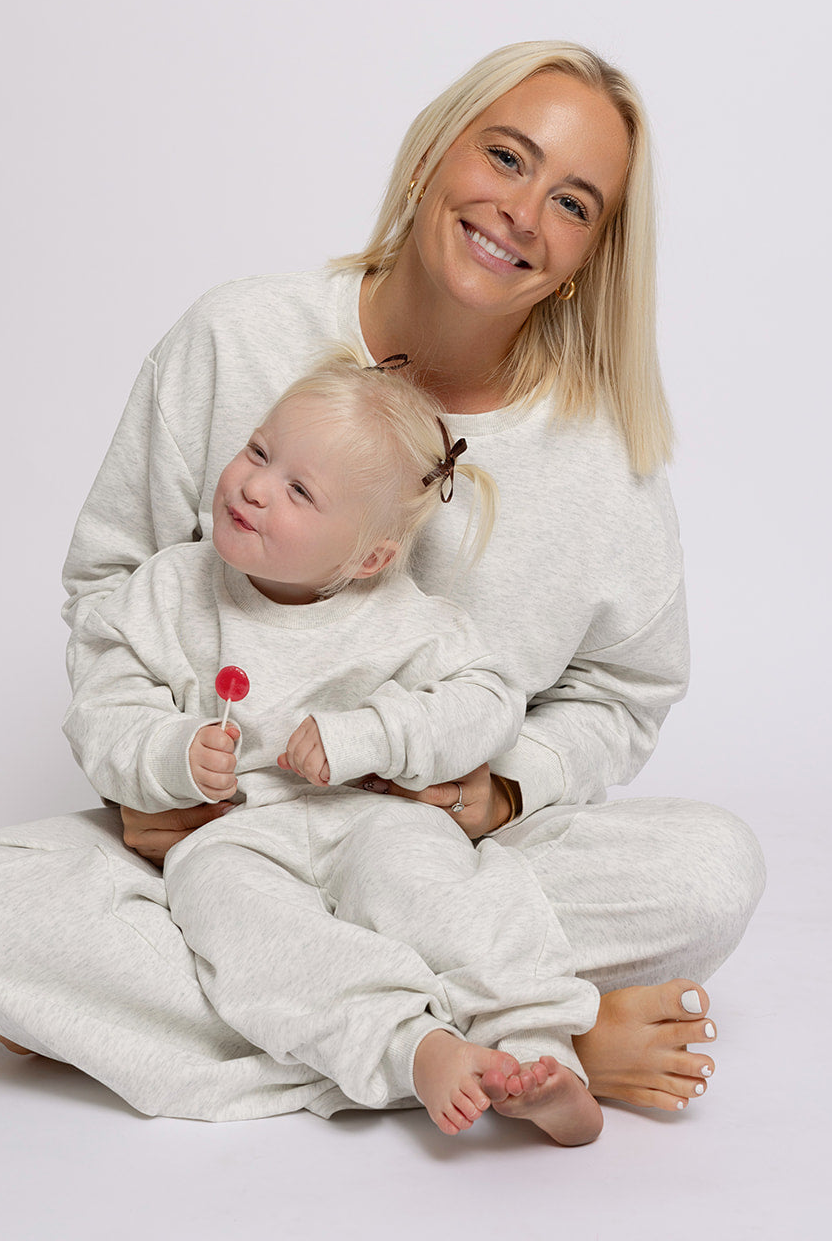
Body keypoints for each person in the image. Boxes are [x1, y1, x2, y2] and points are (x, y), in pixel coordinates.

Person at [0, 40, 765, 1125]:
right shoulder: (238, 335)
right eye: (504, 155)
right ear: (432, 155)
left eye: (573, 202)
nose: (521, 211)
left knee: (709, 870)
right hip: (223, 840)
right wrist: (146, 784)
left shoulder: (602, 457)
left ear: (589, 255)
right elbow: (115, 584)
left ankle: (239, 1025)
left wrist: (503, 787)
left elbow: (619, 692)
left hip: (444, 850)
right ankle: (549, 1034)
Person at [64, 345, 603, 1142]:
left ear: (369, 557)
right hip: (231, 834)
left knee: (440, 892)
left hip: (373, 814)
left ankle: (534, 1047)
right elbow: (101, 704)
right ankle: (409, 1044)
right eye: (257, 450)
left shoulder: (402, 615)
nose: (252, 485)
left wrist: (369, 735)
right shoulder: (168, 591)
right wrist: (168, 752)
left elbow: (488, 703)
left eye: (298, 490)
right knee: (244, 932)